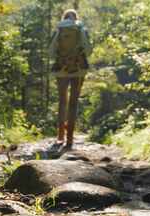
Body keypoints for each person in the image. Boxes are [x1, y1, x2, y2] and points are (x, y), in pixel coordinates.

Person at [49, 9, 92, 151]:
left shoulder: (59, 29)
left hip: (61, 68)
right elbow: (88, 50)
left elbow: (50, 51)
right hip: (78, 68)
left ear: (64, 17)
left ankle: (60, 135)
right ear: (76, 18)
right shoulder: (81, 28)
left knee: (62, 101)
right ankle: (70, 139)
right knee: (73, 102)